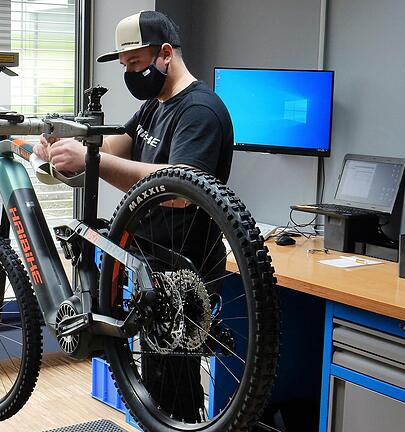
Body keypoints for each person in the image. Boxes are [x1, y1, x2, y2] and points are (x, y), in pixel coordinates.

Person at [34, 10, 234, 422]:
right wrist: (69, 149)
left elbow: (180, 191)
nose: (130, 74)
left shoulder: (200, 111)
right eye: (124, 66)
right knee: (155, 388)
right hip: (149, 262)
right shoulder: (155, 106)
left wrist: (89, 160)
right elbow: (118, 149)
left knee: (172, 393)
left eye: (137, 64)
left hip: (184, 271)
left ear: (165, 54)